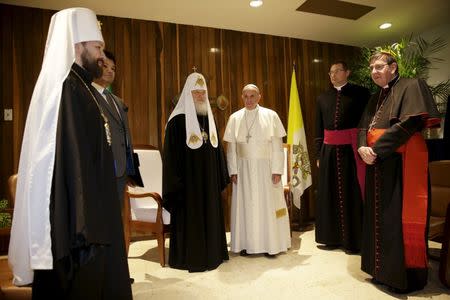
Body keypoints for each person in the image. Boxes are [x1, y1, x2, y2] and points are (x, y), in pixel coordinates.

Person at [8, 8, 132, 299]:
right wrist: (86, 228)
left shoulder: (82, 86)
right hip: (81, 227)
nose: (102, 56)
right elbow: (73, 163)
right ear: (78, 46)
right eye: (98, 47)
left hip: (94, 213)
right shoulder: (67, 89)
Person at [357, 51, 440, 293]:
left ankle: (403, 277)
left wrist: (376, 149)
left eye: (380, 66)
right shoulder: (375, 98)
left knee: (396, 219)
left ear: (393, 67)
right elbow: (364, 126)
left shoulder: (412, 85)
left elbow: (412, 122)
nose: (374, 71)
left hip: (400, 162)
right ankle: (380, 271)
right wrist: (363, 146)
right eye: (372, 67)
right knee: (379, 218)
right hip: (377, 162)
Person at [162, 72, 230, 272]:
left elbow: (218, 153)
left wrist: (219, 177)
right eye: (196, 93)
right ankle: (189, 258)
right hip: (187, 186)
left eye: (203, 93)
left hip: (209, 183)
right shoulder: (176, 122)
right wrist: (176, 185)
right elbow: (171, 159)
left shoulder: (210, 120)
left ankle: (213, 253)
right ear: (187, 94)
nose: (201, 97)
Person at [223, 84, 291, 257]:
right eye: (245, 96)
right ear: (242, 97)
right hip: (243, 169)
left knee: (268, 205)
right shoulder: (235, 117)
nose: (249, 100)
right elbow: (231, 149)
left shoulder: (271, 115)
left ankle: (271, 245)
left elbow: (277, 146)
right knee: (246, 205)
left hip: (266, 168)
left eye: (252, 96)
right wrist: (233, 171)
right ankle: (247, 244)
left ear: (259, 97)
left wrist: (277, 170)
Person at [314, 61, 370, 253]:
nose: (333, 75)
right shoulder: (322, 98)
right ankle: (331, 238)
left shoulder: (361, 94)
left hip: (352, 150)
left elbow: (367, 122)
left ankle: (355, 239)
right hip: (328, 152)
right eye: (330, 72)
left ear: (347, 72)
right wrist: (318, 153)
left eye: (337, 71)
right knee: (329, 194)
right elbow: (318, 128)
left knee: (352, 193)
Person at [92, 50, 140, 207]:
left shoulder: (118, 102)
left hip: (121, 171)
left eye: (113, 69)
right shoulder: (87, 95)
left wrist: (130, 169)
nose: (110, 71)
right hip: (99, 170)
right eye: (105, 66)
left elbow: (125, 137)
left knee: (115, 219)